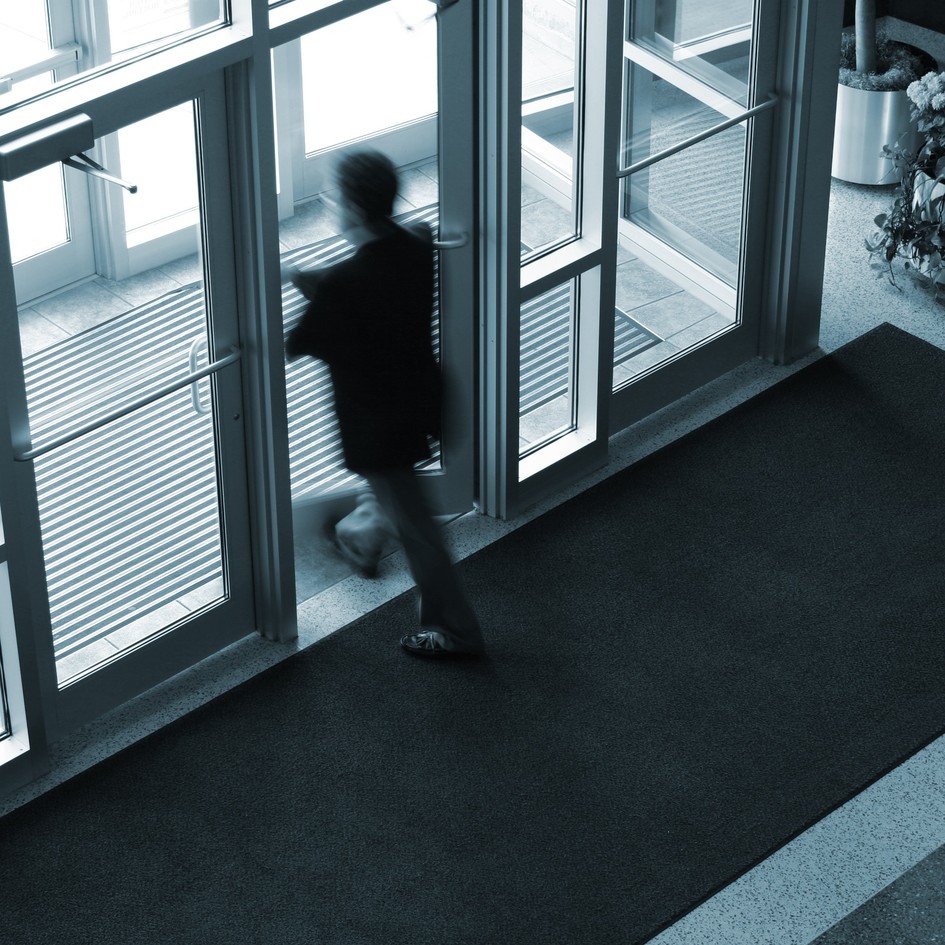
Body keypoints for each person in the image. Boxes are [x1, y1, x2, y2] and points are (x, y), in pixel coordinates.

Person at [285, 149, 485, 660]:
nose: (331, 202)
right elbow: (371, 279)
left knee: (419, 533)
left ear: (351, 207)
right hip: (419, 404)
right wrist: (311, 281)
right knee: (402, 502)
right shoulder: (417, 244)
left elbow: (299, 342)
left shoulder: (343, 289)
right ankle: (364, 532)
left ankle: (456, 631)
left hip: (378, 431)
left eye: (334, 195)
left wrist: (308, 286)